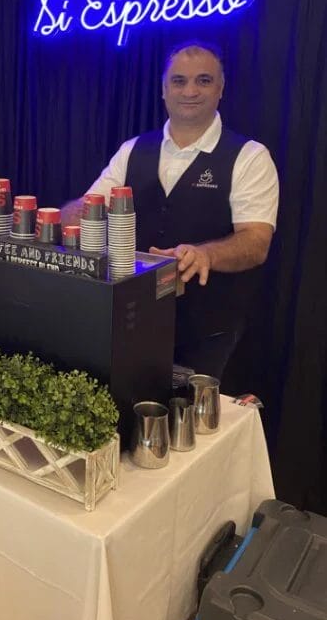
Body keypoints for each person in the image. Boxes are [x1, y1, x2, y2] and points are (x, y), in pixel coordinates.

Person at [62, 41, 279, 379]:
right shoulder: (132, 150)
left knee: (192, 412)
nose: (190, 91)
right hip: (131, 321)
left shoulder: (250, 156)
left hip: (208, 330)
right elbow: (87, 206)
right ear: (163, 90)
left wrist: (205, 254)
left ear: (221, 89)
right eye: (179, 81)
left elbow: (256, 242)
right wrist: (69, 215)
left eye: (203, 80)